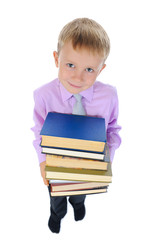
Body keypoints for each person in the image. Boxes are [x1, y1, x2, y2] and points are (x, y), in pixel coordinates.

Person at [32, 18, 121, 234]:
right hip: (57, 163)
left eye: (89, 69)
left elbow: (113, 129)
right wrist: (43, 162)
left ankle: (78, 204)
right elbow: (38, 132)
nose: (78, 77)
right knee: (56, 194)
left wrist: (106, 157)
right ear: (56, 59)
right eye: (70, 65)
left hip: (89, 165)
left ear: (101, 69)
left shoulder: (108, 96)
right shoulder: (44, 95)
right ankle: (57, 214)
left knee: (80, 191)